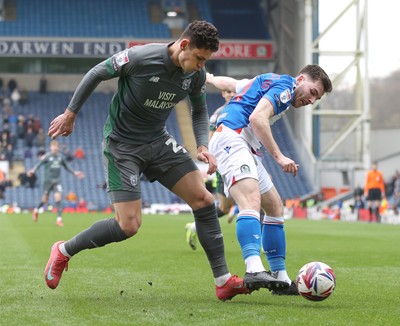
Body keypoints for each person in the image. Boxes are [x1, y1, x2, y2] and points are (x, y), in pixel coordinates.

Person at [43, 21, 286, 301]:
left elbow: (198, 109)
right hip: (123, 146)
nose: (200, 66)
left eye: (205, 61)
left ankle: (222, 281)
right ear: (184, 45)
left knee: (204, 200)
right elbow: (97, 72)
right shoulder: (140, 57)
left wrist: (203, 145)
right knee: (128, 225)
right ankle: (63, 250)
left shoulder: (195, 75)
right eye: (199, 58)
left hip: (158, 142)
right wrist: (71, 113)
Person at [207, 64, 333, 294]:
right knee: (251, 202)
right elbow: (257, 118)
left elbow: (229, 84)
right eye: (313, 92)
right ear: (301, 78)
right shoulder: (286, 87)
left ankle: (280, 279)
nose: (311, 100)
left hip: (244, 144)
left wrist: (209, 77)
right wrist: (279, 156)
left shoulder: (266, 81)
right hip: (232, 138)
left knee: (275, 206)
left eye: (317, 98)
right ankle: (254, 268)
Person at [185, 89, 236, 250]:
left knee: (257, 199)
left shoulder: (248, 109)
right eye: (228, 91)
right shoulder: (219, 114)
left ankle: (262, 244)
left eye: (233, 91)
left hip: (243, 161)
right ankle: (195, 226)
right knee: (224, 207)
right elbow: (211, 140)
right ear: (223, 94)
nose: (231, 94)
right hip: (226, 165)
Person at [27, 140, 84, 226]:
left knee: (58, 199)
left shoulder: (60, 157)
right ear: (51, 147)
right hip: (47, 181)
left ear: (58, 148)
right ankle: (36, 210)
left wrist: (74, 172)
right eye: (54, 146)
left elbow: (67, 166)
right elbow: (39, 164)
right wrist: (33, 171)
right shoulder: (47, 156)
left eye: (57, 146)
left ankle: (59, 219)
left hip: (57, 181)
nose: (55, 148)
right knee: (44, 200)